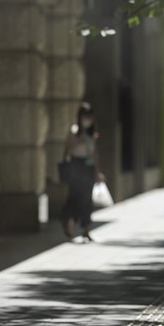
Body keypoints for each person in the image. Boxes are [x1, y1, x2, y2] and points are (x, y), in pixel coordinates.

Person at [61, 101, 106, 241]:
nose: (87, 119)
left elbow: (94, 154)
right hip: (76, 165)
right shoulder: (74, 131)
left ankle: (86, 228)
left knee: (87, 198)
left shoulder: (92, 133)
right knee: (75, 196)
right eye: (84, 116)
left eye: (89, 116)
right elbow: (68, 151)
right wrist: (79, 141)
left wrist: (97, 172)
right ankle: (68, 221)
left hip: (88, 166)